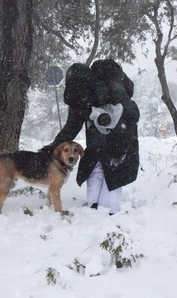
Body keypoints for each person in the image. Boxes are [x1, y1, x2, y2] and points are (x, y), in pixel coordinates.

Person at [42, 59, 140, 214]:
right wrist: (51, 148)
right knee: (95, 166)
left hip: (122, 135)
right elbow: (71, 128)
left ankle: (108, 211)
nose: (80, 111)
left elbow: (133, 115)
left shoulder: (114, 90)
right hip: (96, 137)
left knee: (114, 170)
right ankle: (93, 205)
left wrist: (119, 145)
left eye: (83, 107)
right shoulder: (78, 96)